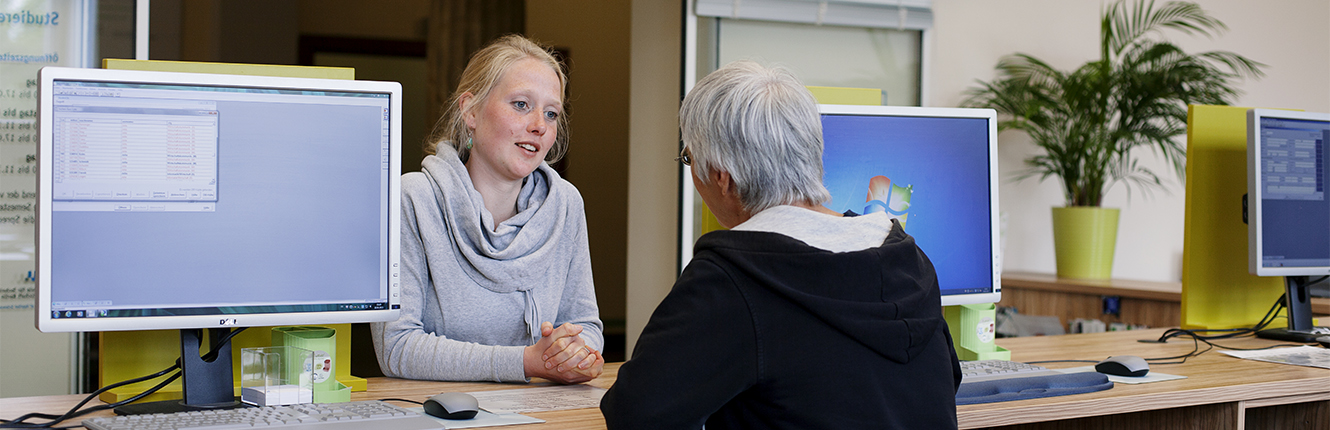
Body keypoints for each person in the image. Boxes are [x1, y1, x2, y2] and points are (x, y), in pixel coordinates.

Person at [600, 61, 962, 429]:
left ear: (722, 178)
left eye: (689, 158)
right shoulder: (908, 258)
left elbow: (635, 413)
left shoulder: (732, 280)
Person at [372, 34, 605, 384]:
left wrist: (575, 353)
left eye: (552, 112)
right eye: (521, 104)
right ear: (471, 111)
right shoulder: (413, 199)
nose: (540, 125)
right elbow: (397, 347)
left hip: (544, 413)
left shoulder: (566, 204)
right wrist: (526, 362)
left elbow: (586, 327)